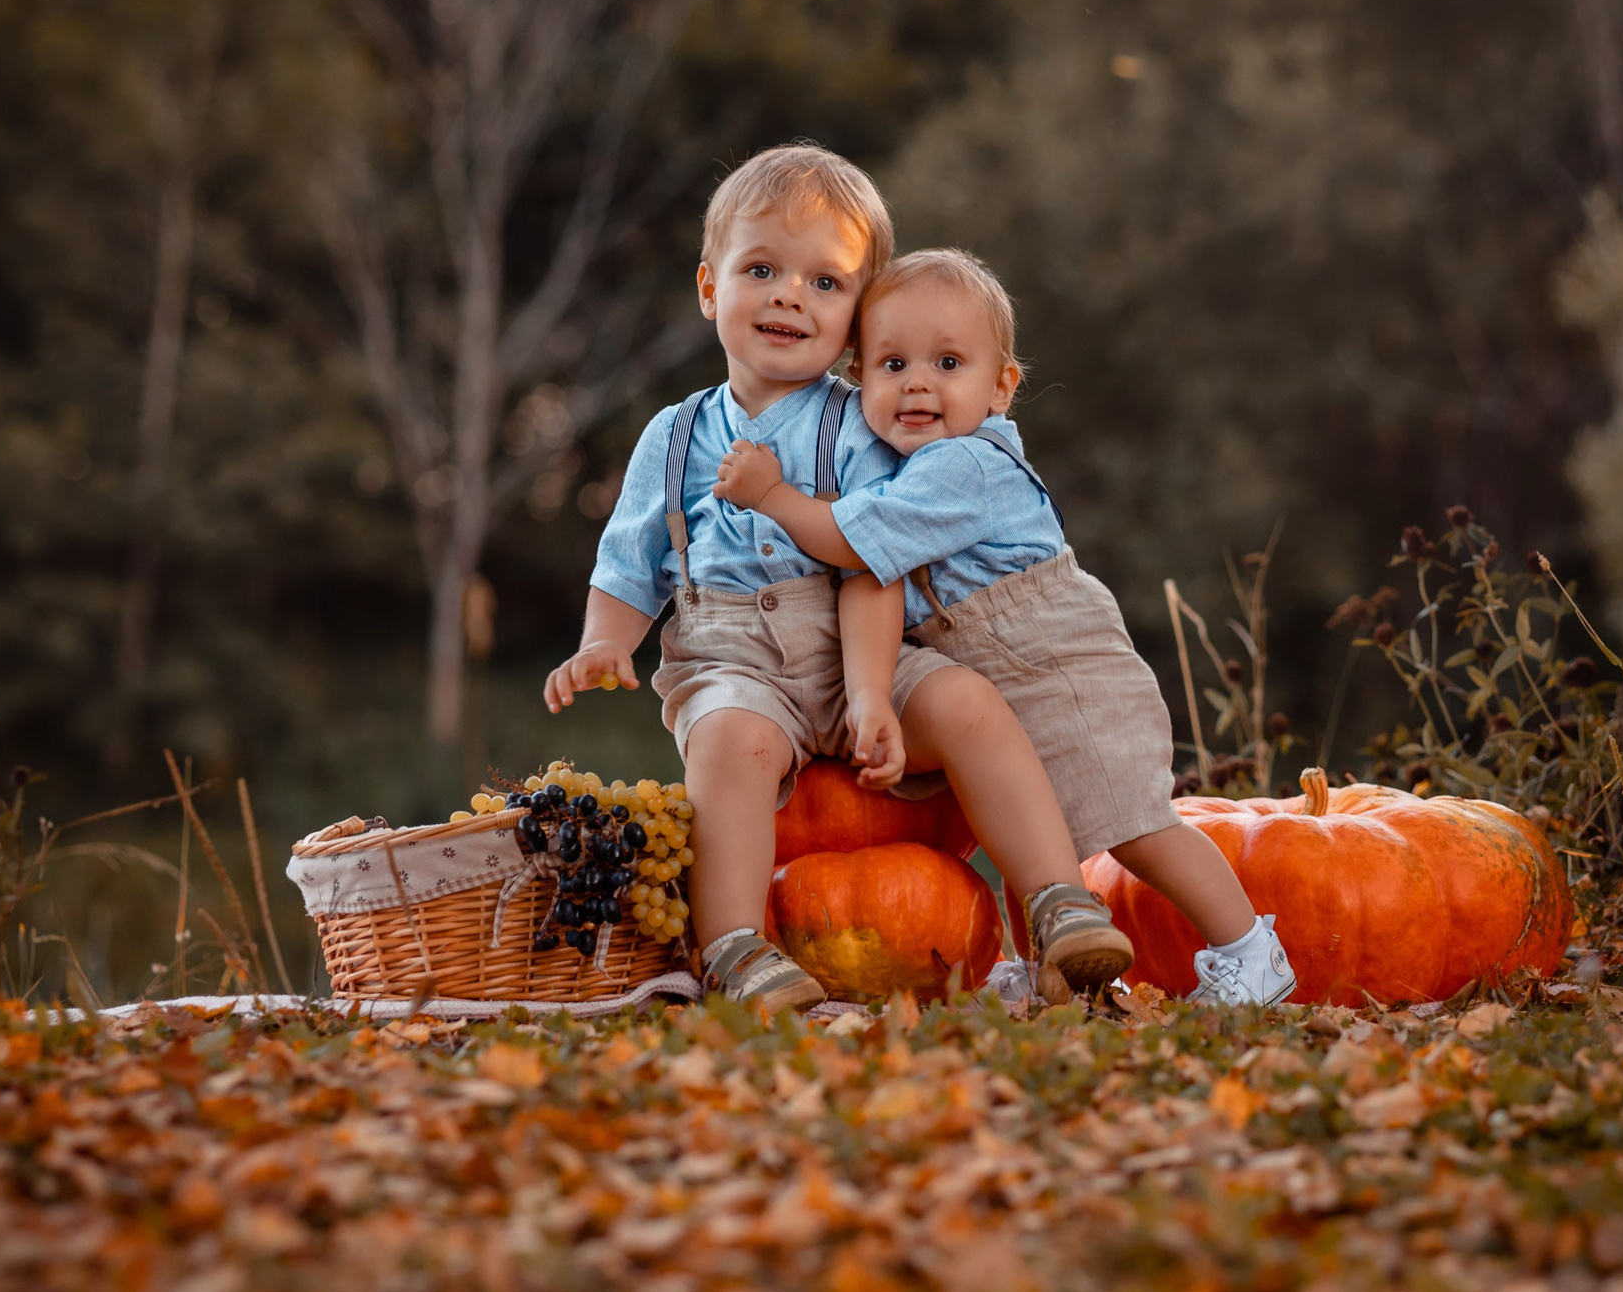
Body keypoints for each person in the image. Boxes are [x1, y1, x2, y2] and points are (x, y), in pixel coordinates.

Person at [546, 151, 1131, 1014]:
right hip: (733, 655)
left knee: (969, 702)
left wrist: (869, 695)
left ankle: (1059, 903)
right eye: (762, 270)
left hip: (861, 639)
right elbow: (631, 563)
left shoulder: (863, 425)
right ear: (710, 288)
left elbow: (870, 563)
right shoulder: (670, 439)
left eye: (824, 282)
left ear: (856, 319)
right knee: (727, 745)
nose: (790, 296)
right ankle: (737, 948)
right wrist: (604, 641)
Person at [712, 247, 1298, 1008]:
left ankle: (1250, 948)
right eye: (891, 364)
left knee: (1134, 825)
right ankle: (1051, 965)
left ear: (1000, 387)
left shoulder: (966, 467)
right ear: (860, 385)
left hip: (1061, 665)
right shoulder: (904, 471)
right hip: (999, 671)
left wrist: (773, 496)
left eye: (947, 362)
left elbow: (851, 542)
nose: (917, 382)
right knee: (1023, 825)